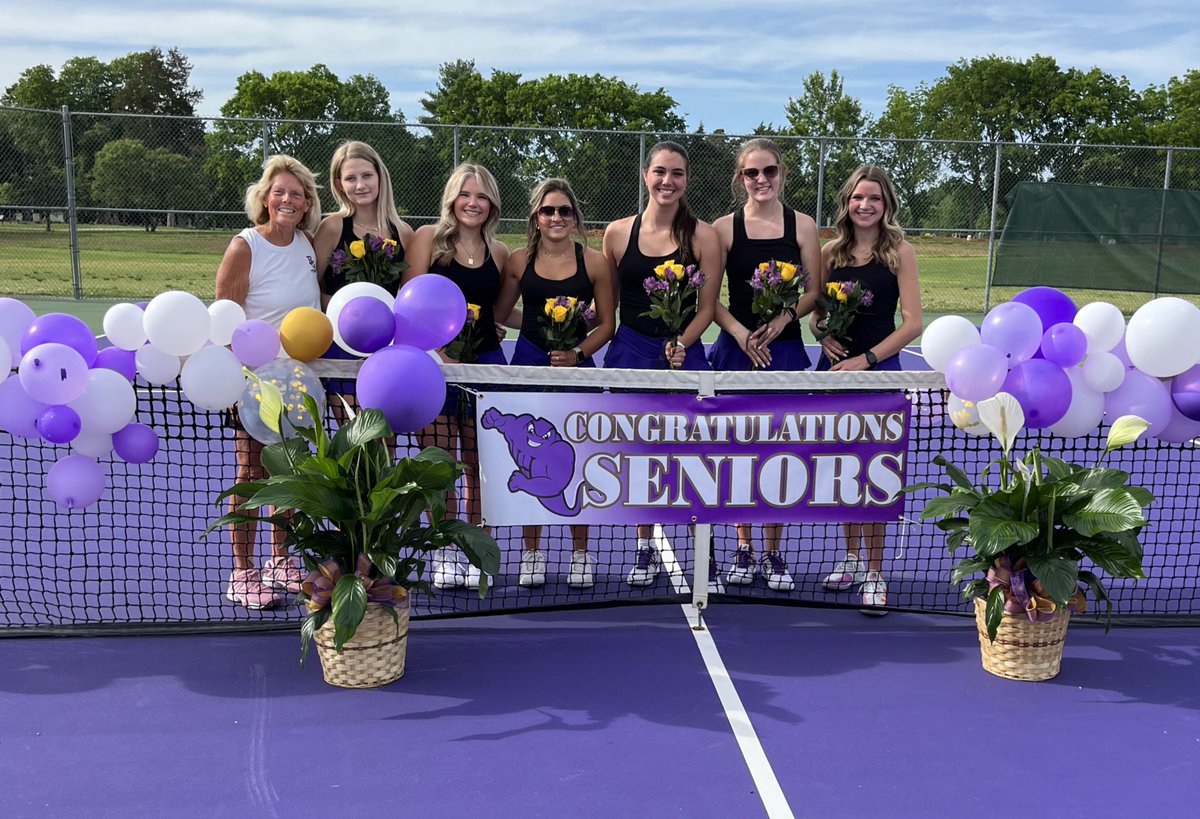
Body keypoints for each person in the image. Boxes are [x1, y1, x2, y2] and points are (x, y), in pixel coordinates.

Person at [601, 140, 721, 588]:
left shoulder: (704, 236)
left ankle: (704, 554)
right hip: (629, 353)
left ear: (687, 180)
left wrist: (681, 343)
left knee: (694, 456)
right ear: (645, 175)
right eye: (660, 172)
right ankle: (644, 547)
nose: (667, 181)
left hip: (686, 354)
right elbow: (608, 307)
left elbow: (707, 308)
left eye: (677, 173)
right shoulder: (616, 234)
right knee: (640, 456)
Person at [710, 138, 821, 592]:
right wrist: (741, 334)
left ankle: (773, 552)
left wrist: (782, 320)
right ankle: (744, 547)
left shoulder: (803, 225)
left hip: (786, 353)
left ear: (782, 173)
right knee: (738, 454)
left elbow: (813, 291)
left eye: (769, 170)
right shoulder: (722, 228)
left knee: (780, 454)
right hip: (736, 353)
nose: (761, 179)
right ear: (741, 178)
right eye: (752, 172)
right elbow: (708, 298)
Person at [494, 178, 616, 589]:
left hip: (578, 370)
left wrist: (576, 353)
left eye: (564, 210)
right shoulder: (518, 260)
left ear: (575, 216)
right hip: (528, 365)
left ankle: (581, 554)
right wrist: (533, 327)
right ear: (536, 217)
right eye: (548, 210)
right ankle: (532, 553)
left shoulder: (595, 263)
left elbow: (607, 324)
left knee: (577, 458)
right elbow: (502, 314)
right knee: (528, 461)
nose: (556, 217)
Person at [813, 164, 923, 613]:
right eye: (858, 197)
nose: (865, 205)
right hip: (834, 375)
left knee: (876, 476)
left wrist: (869, 359)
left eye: (874, 198)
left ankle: (875, 574)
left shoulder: (900, 252)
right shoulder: (830, 252)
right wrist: (823, 335)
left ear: (886, 204)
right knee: (844, 472)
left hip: (879, 375)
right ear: (847, 202)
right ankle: (853, 558)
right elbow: (816, 313)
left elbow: (913, 323)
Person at [214, 154, 323, 609]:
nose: (288, 200)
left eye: (297, 194)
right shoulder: (245, 246)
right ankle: (242, 572)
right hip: (254, 383)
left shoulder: (307, 245)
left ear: (307, 203)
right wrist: (234, 384)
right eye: (279, 192)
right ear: (264, 198)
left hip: (299, 383)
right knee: (251, 473)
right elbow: (225, 320)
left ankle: (280, 560)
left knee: (290, 473)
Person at [404, 163, 511, 590]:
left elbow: (499, 313)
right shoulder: (427, 239)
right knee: (440, 463)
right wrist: (439, 354)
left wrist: (572, 320)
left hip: (485, 365)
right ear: (452, 198)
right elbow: (408, 303)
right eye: (466, 194)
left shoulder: (499, 252)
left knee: (481, 463)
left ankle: (478, 548)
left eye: (482, 196)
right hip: (433, 366)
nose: (473, 203)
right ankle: (445, 549)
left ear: (492, 205)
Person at [313, 140, 415, 300]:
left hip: (387, 317)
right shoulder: (331, 227)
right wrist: (343, 307)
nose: (360, 185)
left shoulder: (404, 232)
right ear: (339, 185)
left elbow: (410, 297)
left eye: (367, 175)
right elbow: (311, 290)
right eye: (351, 178)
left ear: (380, 176)